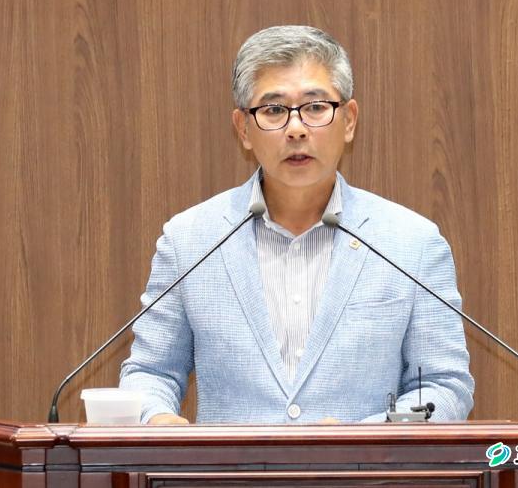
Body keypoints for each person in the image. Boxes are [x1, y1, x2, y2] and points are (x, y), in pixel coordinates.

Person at [119, 25, 474, 424]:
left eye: (316, 107)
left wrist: (366, 437)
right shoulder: (190, 240)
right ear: (243, 129)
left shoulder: (412, 243)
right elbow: (149, 372)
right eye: (273, 110)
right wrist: (156, 418)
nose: (296, 128)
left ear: (349, 120)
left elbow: (444, 386)